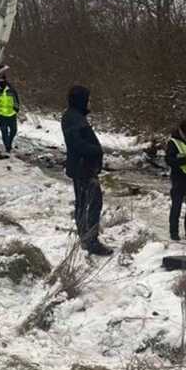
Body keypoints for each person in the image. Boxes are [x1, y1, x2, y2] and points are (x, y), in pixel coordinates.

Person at [60, 85, 113, 256]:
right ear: (81, 100)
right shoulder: (73, 118)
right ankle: (90, 240)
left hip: (84, 167)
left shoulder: (76, 117)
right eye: (88, 100)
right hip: (82, 168)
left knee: (86, 202)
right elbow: (76, 143)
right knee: (91, 203)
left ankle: (87, 237)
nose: (90, 103)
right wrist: (96, 150)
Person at [0, 65, 19, 153]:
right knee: (4, 131)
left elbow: (15, 97)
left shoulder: (10, 87)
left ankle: (9, 143)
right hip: (0, 113)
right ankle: (7, 146)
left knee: (14, 130)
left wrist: (16, 108)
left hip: (11, 113)